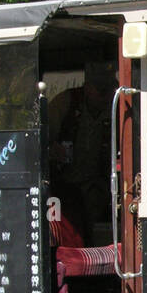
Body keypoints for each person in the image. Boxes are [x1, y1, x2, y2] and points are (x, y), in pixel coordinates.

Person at [48, 61, 117, 245]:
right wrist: (53, 149)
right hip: (64, 186)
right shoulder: (65, 103)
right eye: (100, 90)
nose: (104, 96)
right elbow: (41, 141)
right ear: (87, 88)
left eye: (108, 90)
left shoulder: (118, 107)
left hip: (98, 188)